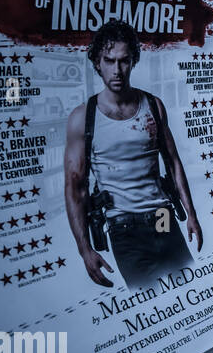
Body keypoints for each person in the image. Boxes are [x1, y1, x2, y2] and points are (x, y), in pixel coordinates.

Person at [65, 20, 201, 289]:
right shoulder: (82, 118)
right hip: (124, 229)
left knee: (188, 290)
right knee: (150, 303)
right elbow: (75, 188)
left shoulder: (152, 105)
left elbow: (173, 162)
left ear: (133, 61)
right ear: (97, 63)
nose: (117, 70)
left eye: (124, 61)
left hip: (163, 217)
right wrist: (85, 250)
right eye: (109, 60)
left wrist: (191, 214)